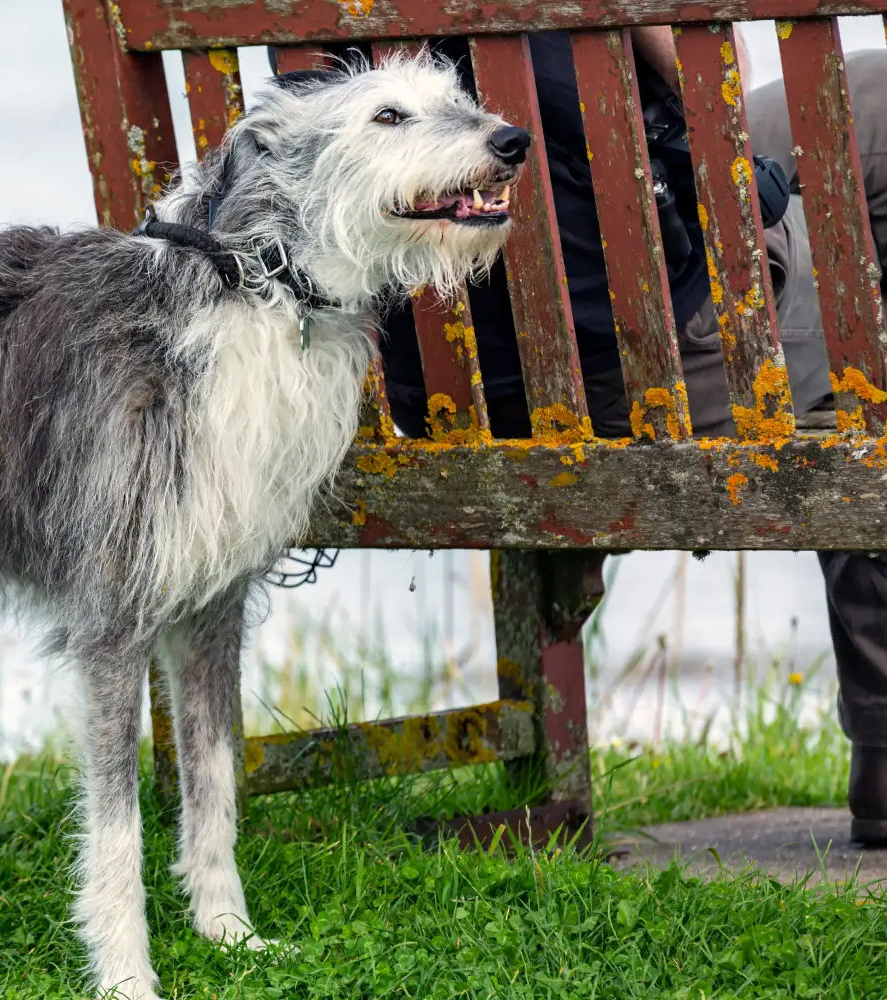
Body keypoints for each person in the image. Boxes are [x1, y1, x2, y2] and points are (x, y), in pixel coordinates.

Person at [369, 34, 887, 845]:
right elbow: (711, 83)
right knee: (871, 321)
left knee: (871, 96)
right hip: (644, 378)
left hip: (447, 390)